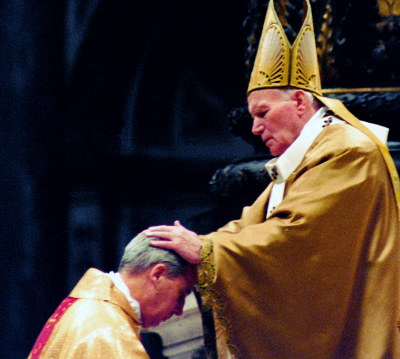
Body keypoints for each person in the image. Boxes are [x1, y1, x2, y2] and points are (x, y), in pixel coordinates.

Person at [141, 0, 400, 358]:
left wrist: (207, 251)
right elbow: (254, 225)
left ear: (298, 101)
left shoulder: (349, 151)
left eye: (262, 112)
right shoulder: (307, 157)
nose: (255, 128)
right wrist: (201, 243)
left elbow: (295, 237)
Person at [27, 234, 197, 359]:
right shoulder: (107, 332)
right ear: (158, 274)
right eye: (182, 294)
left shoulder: (91, 310)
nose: (180, 310)